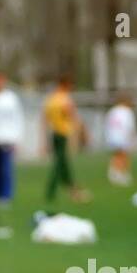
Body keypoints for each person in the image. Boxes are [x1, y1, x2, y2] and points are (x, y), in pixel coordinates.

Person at [43, 75, 90, 206]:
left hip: (54, 133)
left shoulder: (51, 99)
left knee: (63, 164)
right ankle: (53, 191)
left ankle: (72, 189)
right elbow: (71, 115)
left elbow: (45, 118)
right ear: (66, 85)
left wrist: (44, 139)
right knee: (60, 164)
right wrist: (80, 132)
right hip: (63, 134)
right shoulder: (65, 99)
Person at [0, 70, 24, 204]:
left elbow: (18, 118)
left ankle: (6, 195)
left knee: (5, 168)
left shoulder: (11, 98)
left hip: (7, 138)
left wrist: (17, 138)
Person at [105, 93, 136, 186]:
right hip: (122, 136)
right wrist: (132, 139)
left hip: (112, 136)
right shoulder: (127, 111)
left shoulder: (112, 111)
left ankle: (113, 173)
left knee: (116, 155)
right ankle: (121, 174)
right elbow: (129, 126)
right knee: (124, 155)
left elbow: (107, 124)